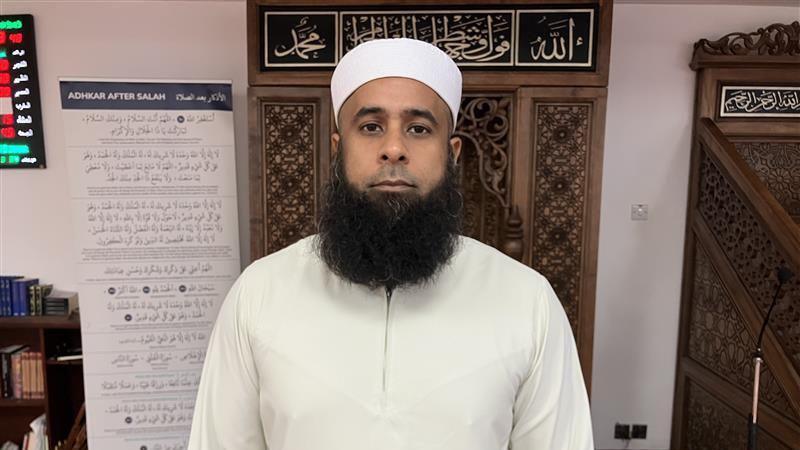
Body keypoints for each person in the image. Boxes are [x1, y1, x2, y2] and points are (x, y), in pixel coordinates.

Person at [188, 38, 593, 450]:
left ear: (452, 153)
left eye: (418, 128)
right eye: (371, 127)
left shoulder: (527, 302)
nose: (394, 149)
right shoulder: (259, 295)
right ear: (337, 149)